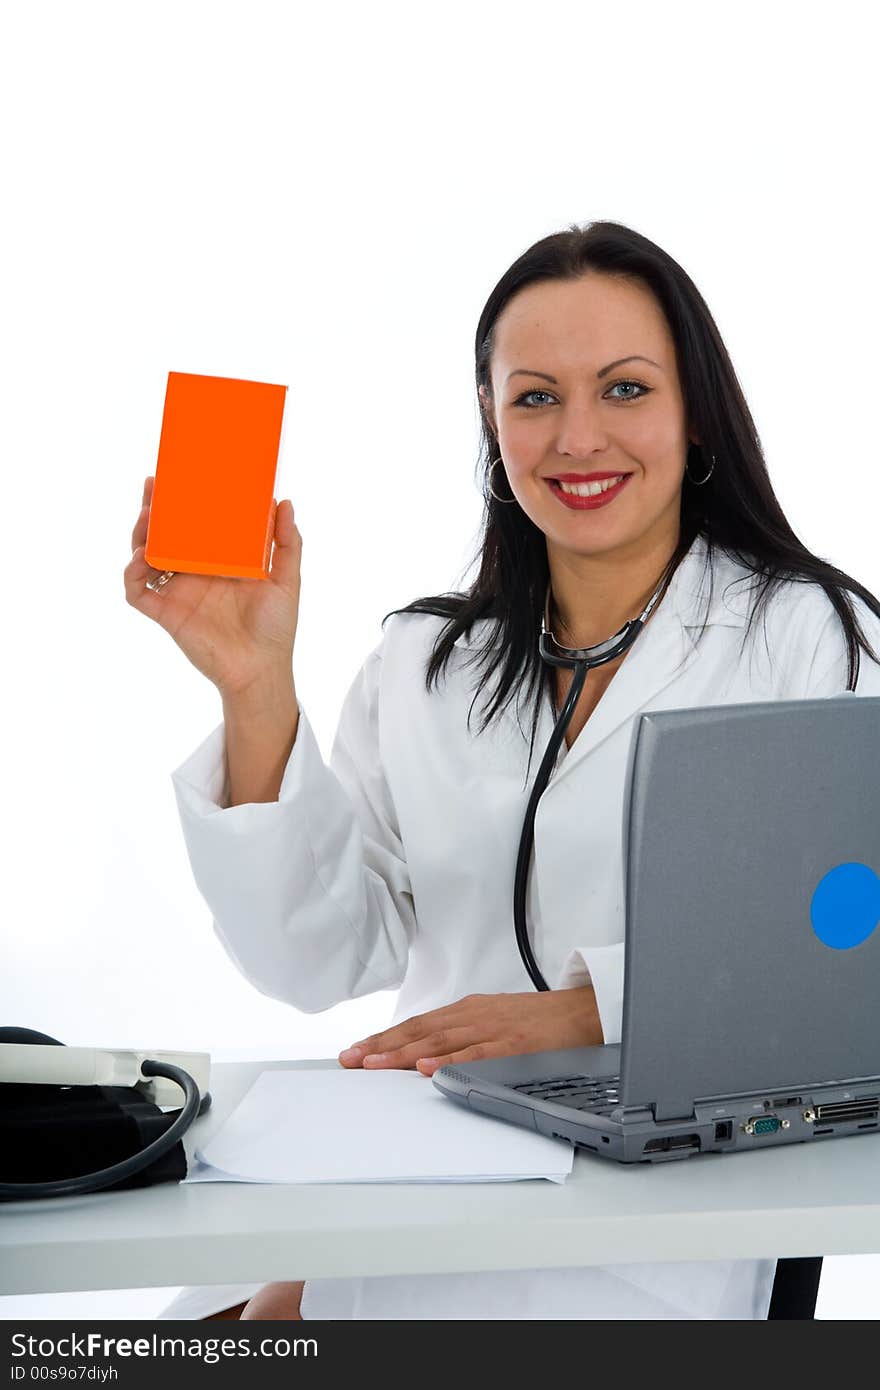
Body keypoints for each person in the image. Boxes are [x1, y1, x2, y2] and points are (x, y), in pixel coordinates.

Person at [125, 219, 880, 1321]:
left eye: (624, 390)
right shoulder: (426, 659)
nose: (577, 437)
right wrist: (254, 689)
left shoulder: (811, 635)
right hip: (403, 1171)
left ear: (693, 409)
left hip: (656, 1229)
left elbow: (845, 956)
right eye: (534, 398)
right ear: (490, 417)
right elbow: (314, 958)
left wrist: (591, 1010)